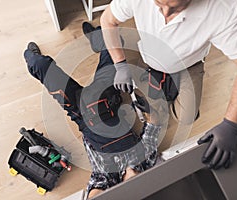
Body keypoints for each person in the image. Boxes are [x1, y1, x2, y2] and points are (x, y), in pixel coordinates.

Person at [100, 0, 237, 170]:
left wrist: (232, 125)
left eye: (174, 8)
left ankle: (164, 98)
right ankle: (155, 110)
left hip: (189, 64)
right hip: (151, 60)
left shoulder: (223, 8)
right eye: (158, 4)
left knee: (187, 117)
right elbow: (108, 20)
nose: (164, 13)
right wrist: (120, 65)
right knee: (152, 111)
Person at [23, 22, 161, 199]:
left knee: (38, 64)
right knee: (113, 41)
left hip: (79, 109)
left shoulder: (106, 180)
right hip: (107, 100)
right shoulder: (146, 161)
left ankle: (31, 56)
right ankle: (98, 39)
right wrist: (148, 109)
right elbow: (154, 126)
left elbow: (93, 194)